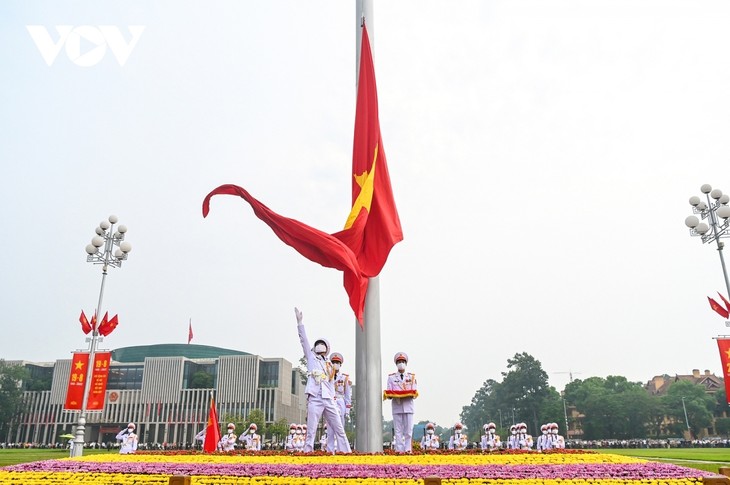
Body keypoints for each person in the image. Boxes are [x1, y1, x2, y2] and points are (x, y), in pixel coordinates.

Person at [295, 307, 351, 453]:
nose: (320, 345)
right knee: (311, 429)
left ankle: (346, 452)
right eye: (318, 344)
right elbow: (304, 341)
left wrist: (333, 398)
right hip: (315, 398)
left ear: (327, 348)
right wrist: (300, 323)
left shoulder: (330, 365)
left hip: (328, 399)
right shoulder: (311, 358)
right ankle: (308, 451)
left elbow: (332, 383)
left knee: (339, 427)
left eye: (323, 344)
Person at [385, 352, 418, 452]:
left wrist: (406, 393)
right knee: (398, 431)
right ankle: (399, 450)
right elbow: (389, 392)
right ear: (396, 364)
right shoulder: (391, 377)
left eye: (403, 361)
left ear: (406, 363)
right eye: (399, 362)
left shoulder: (411, 377)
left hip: (408, 406)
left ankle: (408, 450)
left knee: (408, 431)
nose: (401, 363)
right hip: (397, 406)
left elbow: (414, 392)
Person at [327, 352, 352, 453]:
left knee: (340, 427)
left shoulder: (344, 377)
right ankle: (330, 450)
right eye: (333, 362)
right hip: (330, 401)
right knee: (329, 428)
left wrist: (347, 410)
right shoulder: (327, 375)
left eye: (337, 362)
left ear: (340, 364)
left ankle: (342, 450)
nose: (335, 364)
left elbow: (347, 395)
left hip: (340, 401)